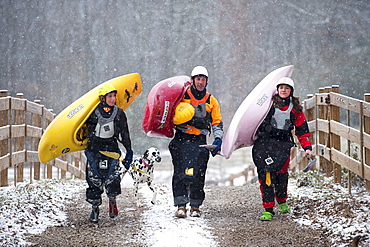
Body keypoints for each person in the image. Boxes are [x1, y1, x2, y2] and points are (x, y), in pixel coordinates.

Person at [252, 77, 313, 221]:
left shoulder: (296, 110)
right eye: (281, 88)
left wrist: (307, 147)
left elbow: (302, 130)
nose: (283, 90)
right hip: (265, 144)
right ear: (277, 90)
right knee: (266, 175)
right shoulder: (268, 104)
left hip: (283, 145)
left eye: (286, 88)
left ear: (291, 91)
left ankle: (281, 199)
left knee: (281, 175)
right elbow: (252, 120)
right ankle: (268, 207)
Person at [169, 65, 223, 218]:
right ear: (192, 80)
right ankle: (180, 205)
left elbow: (217, 122)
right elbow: (170, 115)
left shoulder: (211, 101)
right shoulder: (181, 96)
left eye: (203, 80)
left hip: (200, 141)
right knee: (180, 173)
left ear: (206, 82)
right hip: (181, 138)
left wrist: (218, 138)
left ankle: (195, 206)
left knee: (198, 174)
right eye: (198, 79)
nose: (200, 82)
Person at [84, 83, 133, 223]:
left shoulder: (119, 113)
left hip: (112, 150)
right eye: (110, 96)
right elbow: (81, 128)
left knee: (113, 179)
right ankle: (94, 207)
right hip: (94, 150)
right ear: (102, 98)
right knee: (94, 180)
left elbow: (125, 134)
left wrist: (129, 151)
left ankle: (112, 202)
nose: (113, 99)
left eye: (114, 96)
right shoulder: (91, 112)